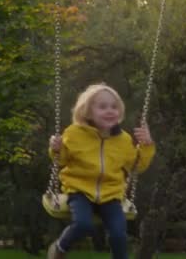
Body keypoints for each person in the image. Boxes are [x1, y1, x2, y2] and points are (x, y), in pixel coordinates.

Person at [47, 83, 156, 259]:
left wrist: (147, 145)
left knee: (119, 235)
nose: (110, 111)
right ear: (88, 111)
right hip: (79, 191)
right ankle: (59, 248)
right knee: (83, 225)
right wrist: (56, 148)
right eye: (102, 107)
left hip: (111, 194)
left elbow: (137, 166)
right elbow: (62, 159)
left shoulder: (123, 140)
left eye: (114, 107)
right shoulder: (74, 133)